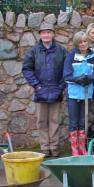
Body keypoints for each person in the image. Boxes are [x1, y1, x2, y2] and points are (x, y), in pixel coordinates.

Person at [22, 23, 67, 157]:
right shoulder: (33, 51)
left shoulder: (61, 50)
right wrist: (36, 85)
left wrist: (61, 86)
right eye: (43, 33)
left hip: (56, 90)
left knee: (54, 120)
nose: (46, 35)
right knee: (41, 121)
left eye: (49, 32)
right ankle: (44, 148)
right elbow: (27, 69)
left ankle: (54, 147)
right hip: (40, 90)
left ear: (53, 34)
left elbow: (67, 69)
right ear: (40, 35)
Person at [64, 31, 94, 156]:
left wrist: (89, 78)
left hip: (86, 92)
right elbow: (66, 74)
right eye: (80, 42)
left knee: (83, 121)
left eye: (85, 41)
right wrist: (77, 79)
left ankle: (82, 147)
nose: (83, 44)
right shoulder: (71, 56)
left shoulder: (92, 56)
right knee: (74, 121)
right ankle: (74, 148)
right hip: (74, 93)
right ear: (76, 43)